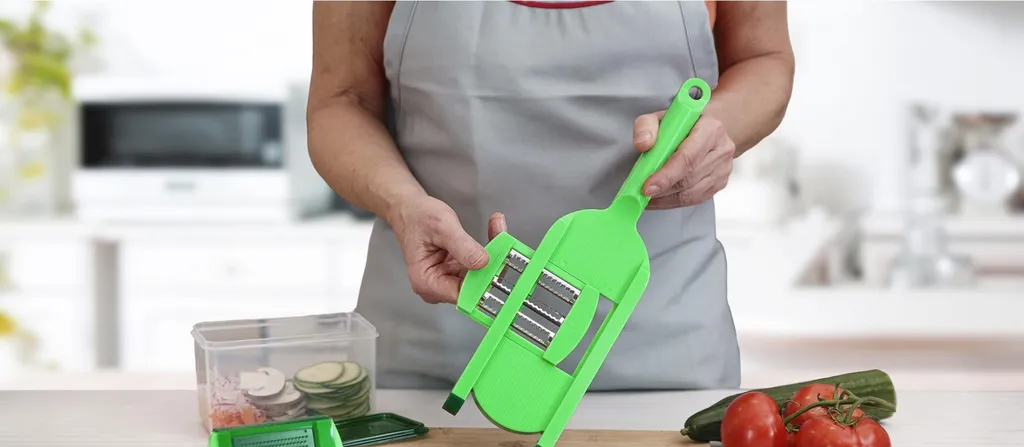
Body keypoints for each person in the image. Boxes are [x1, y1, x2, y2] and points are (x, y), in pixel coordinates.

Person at [307, 0, 794, 391]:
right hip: (433, 343)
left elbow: (764, 58)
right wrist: (402, 204)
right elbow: (340, 100)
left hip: (663, 354)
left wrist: (718, 128)